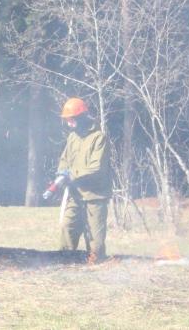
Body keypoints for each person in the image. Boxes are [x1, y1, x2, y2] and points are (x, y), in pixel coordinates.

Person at [53, 97, 112, 262]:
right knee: (67, 227)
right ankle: (65, 261)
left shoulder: (98, 138)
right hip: (75, 194)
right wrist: (60, 176)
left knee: (95, 243)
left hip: (95, 196)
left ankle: (96, 263)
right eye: (67, 120)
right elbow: (65, 159)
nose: (69, 123)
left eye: (71, 120)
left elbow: (96, 168)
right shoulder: (73, 137)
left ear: (81, 118)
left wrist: (71, 175)